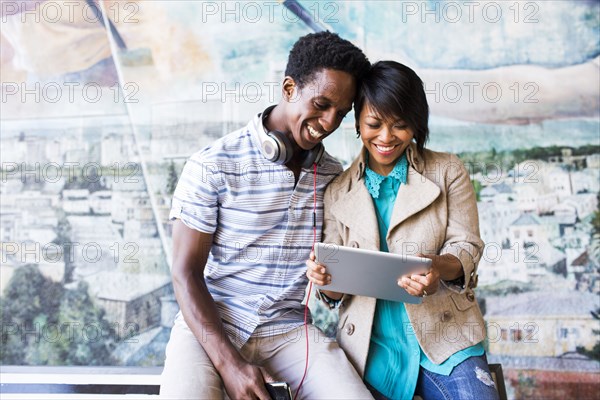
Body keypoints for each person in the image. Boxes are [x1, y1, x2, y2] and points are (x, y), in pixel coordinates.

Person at [160, 32, 373, 400]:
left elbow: (331, 285)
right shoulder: (213, 165)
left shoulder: (334, 177)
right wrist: (229, 365)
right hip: (212, 325)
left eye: (341, 113)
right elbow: (184, 273)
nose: (328, 122)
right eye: (321, 104)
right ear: (289, 88)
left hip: (289, 330)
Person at [307, 61, 500, 400]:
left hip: (446, 339)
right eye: (374, 124)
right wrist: (326, 280)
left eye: (400, 125)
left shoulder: (447, 170)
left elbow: (467, 245)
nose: (385, 138)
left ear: (417, 124)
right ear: (357, 122)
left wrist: (437, 267)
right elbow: (334, 293)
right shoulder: (338, 190)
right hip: (370, 347)